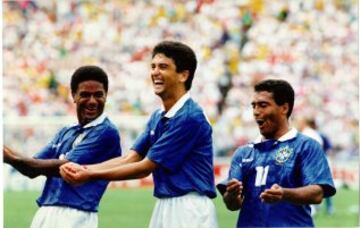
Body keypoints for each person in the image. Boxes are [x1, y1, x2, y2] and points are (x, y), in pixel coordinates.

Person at [60, 41, 218, 228]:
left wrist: (89, 174)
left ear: (184, 75)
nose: (155, 72)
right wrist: (84, 169)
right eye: (153, 66)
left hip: (189, 207)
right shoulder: (158, 116)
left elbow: (145, 167)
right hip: (166, 203)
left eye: (163, 67)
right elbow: (131, 157)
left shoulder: (190, 117)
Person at [3, 65, 122, 228]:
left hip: (75, 215)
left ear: (106, 96)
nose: (93, 101)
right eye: (85, 95)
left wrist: (8, 156)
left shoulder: (106, 132)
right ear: (73, 95)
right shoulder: (67, 131)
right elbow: (32, 168)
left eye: (98, 95)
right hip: (45, 212)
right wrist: (6, 152)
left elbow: (64, 167)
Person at [217, 79, 336, 227]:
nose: (256, 112)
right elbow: (232, 205)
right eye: (253, 106)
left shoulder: (306, 146)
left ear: (284, 108)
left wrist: (284, 194)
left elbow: (317, 194)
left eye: (263, 105)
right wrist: (232, 195)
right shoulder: (243, 153)